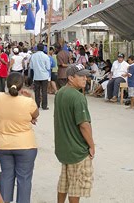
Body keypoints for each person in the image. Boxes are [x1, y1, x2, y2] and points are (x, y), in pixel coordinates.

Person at [0, 72, 39, 203]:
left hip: (3, 144)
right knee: (24, 178)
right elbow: (35, 114)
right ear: (22, 85)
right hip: (25, 144)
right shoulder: (28, 102)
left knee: (6, 175)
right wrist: (30, 98)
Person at [54, 64, 95, 202]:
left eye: (86, 75)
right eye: (81, 76)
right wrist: (91, 145)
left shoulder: (60, 93)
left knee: (64, 181)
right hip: (76, 149)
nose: (85, 78)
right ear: (71, 78)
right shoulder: (78, 97)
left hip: (63, 147)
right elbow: (84, 125)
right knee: (76, 185)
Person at [30, 43, 51, 110]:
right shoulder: (46, 56)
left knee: (37, 91)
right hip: (44, 76)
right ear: (43, 48)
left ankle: (37, 105)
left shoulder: (33, 56)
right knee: (44, 91)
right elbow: (48, 67)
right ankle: (44, 106)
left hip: (36, 76)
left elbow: (31, 67)